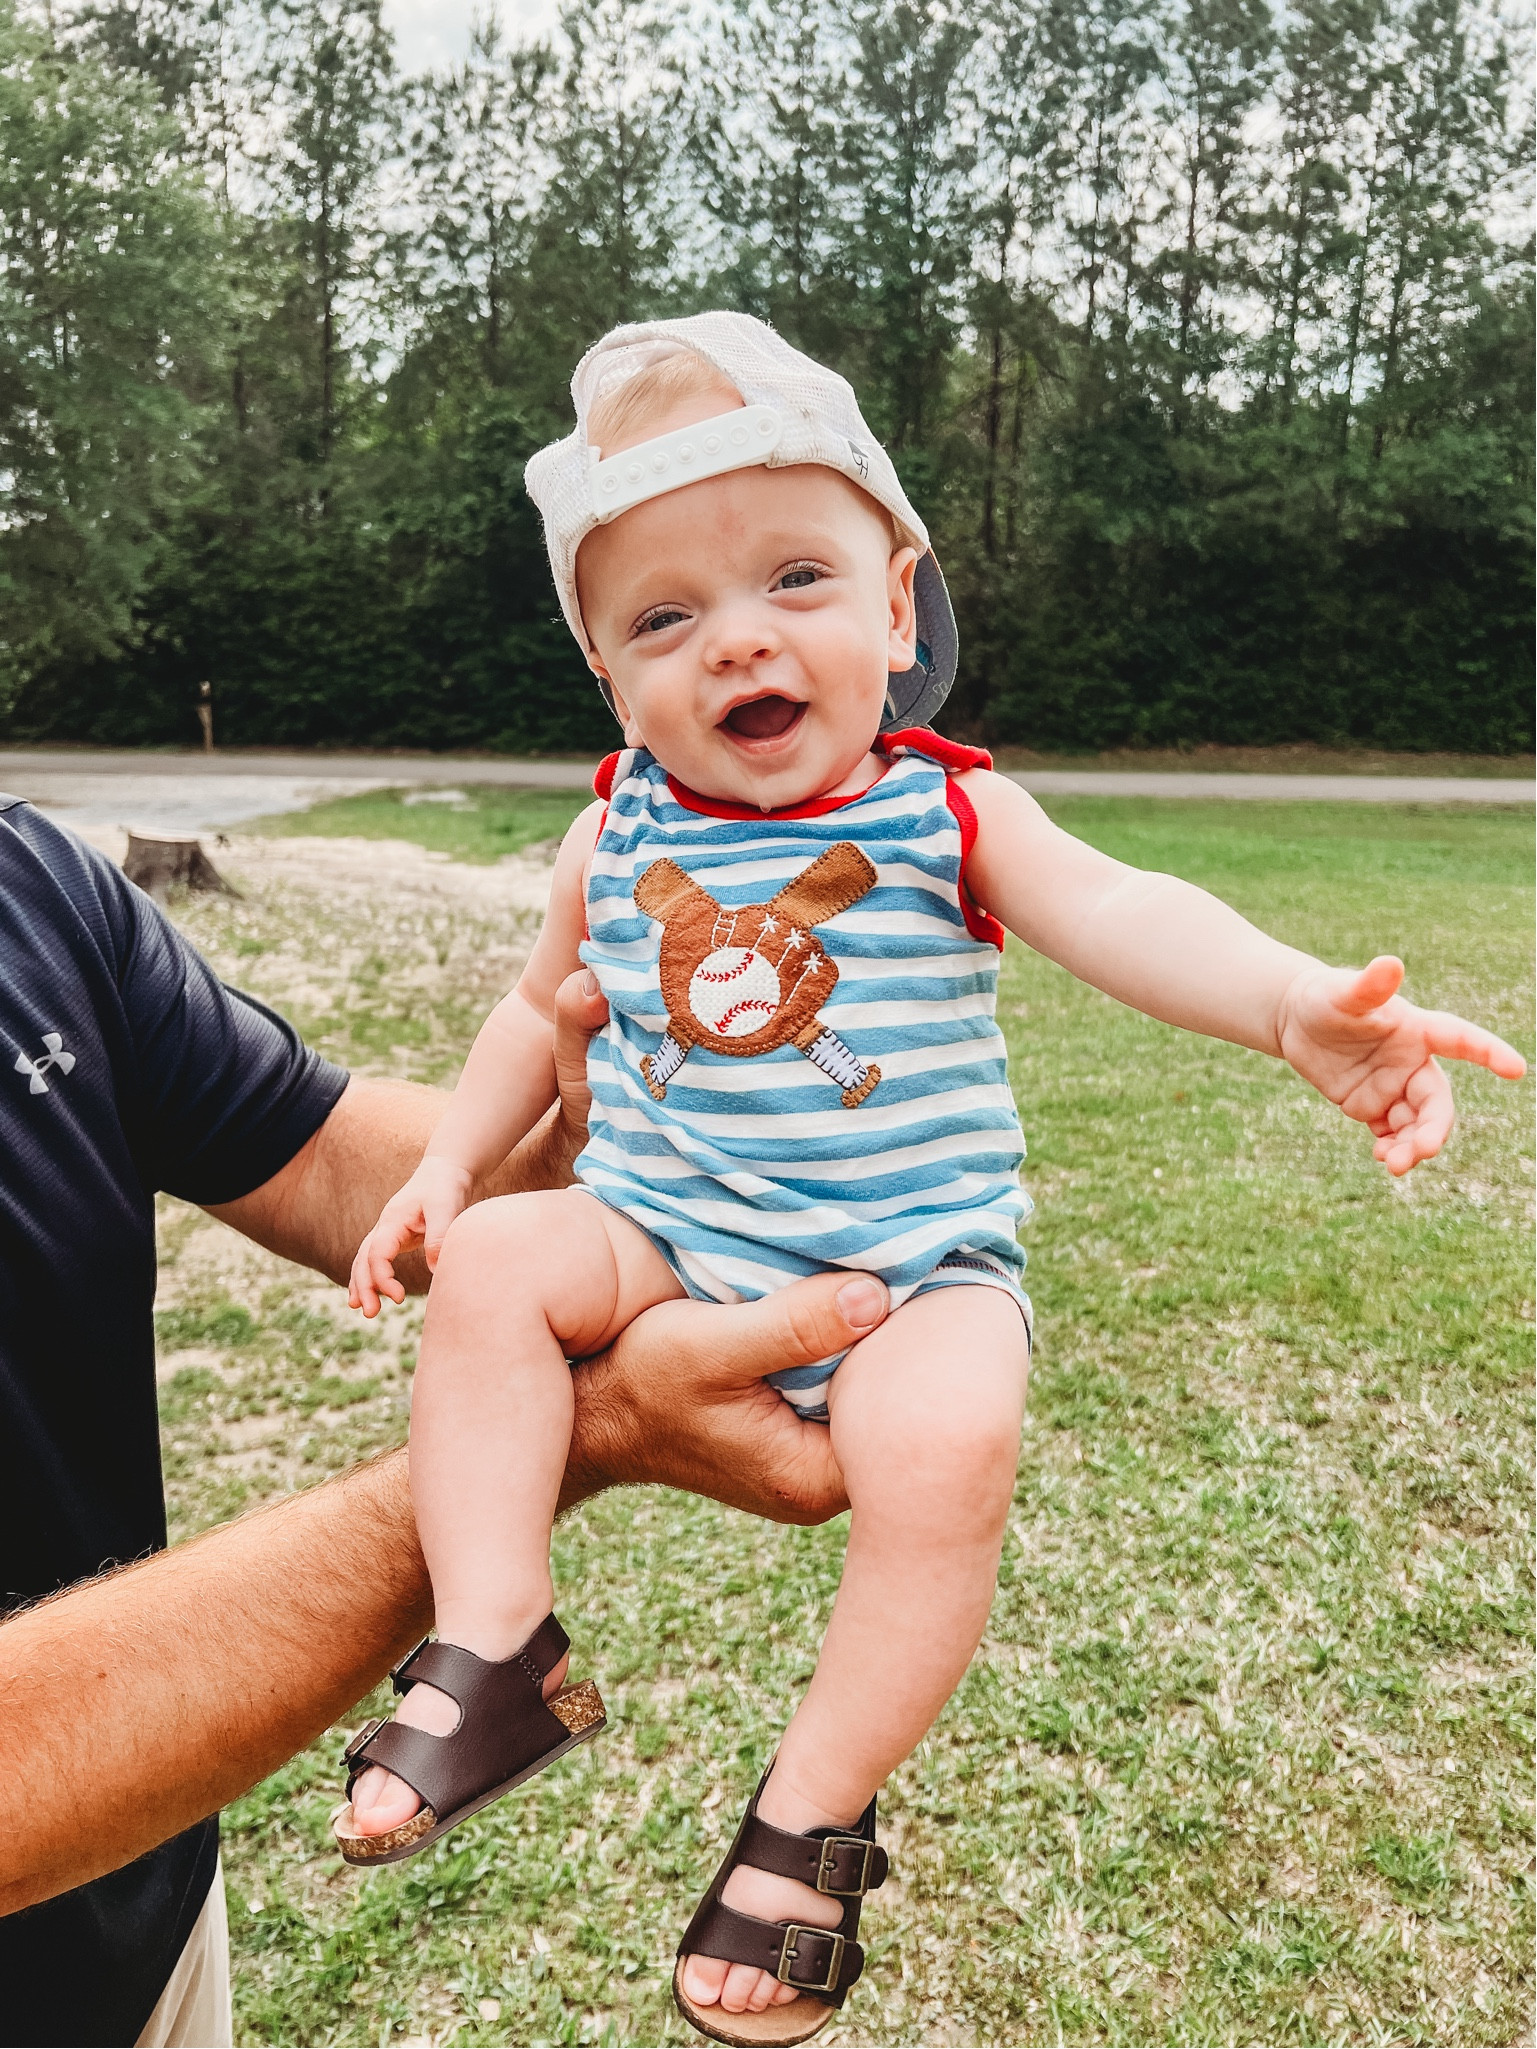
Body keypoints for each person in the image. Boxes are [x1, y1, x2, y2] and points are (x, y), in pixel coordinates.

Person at [337, 313, 1526, 2046]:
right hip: (665, 1235)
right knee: (505, 1261)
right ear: (609, 678)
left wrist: (1288, 1005)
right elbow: (537, 1012)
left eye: (793, 578)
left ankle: (811, 1806)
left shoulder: (940, 813)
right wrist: (448, 1162)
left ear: (897, 609)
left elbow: (1122, 907)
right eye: (661, 616)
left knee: (949, 1431)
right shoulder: (614, 832)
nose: (734, 634)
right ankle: (499, 1642)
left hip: (906, 1270)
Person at [0, 788, 887, 2049]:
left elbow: (324, 1160)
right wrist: (574, 1428)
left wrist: (614, 1158)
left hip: (152, 1914)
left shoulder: (28, 886)